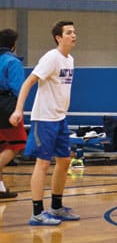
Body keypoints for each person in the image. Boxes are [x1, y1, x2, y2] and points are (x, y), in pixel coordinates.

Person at [10, 21, 78, 225]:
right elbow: (28, 82)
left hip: (60, 118)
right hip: (44, 119)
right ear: (58, 37)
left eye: (74, 32)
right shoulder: (51, 58)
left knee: (64, 160)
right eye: (69, 32)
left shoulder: (70, 60)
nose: (73, 35)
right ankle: (37, 213)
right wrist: (18, 109)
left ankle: (56, 207)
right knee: (43, 163)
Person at [0, 28, 27, 199]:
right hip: (6, 106)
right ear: (13, 44)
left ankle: (1, 188)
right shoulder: (12, 61)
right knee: (17, 144)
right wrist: (18, 110)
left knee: (2, 146)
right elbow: (18, 89)